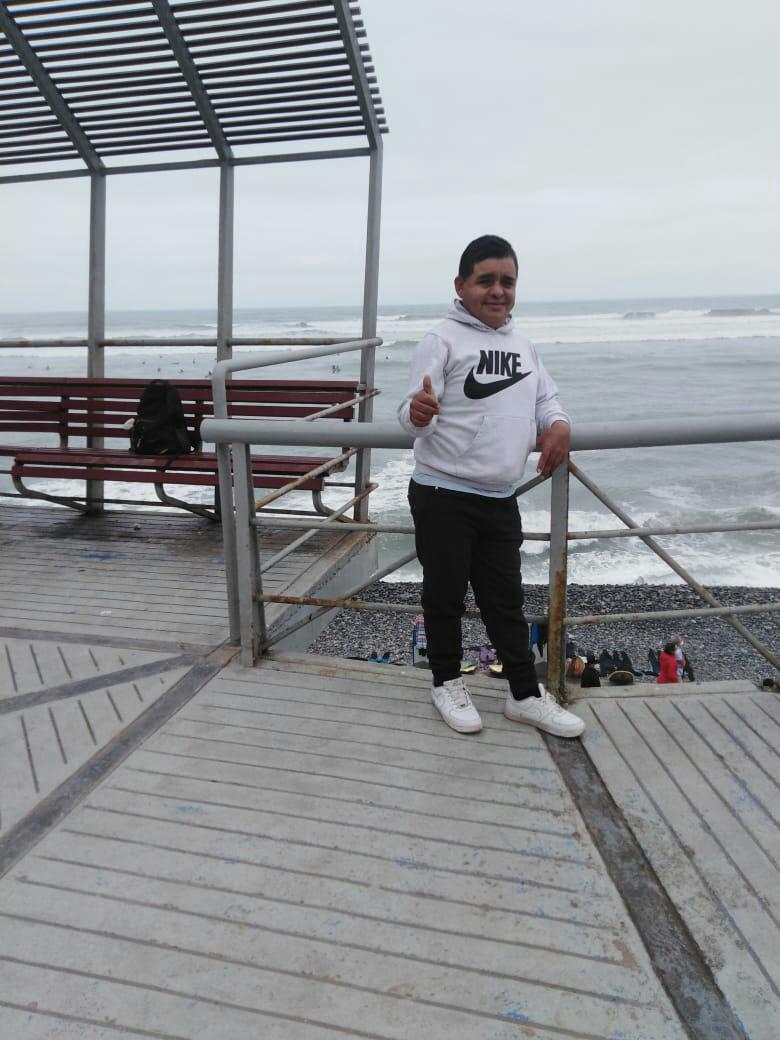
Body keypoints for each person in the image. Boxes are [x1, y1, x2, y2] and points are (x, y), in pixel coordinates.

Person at [398, 234, 584, 738]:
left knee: (506, 601)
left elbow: (546, 400)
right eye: (486, 281)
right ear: (461, 285)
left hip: (500, 497)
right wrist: (417, 413)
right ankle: (445, 682)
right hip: (443, 494)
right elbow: (410, 413)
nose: (498, 291)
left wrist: (560, 424)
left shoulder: (525, 346)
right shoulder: (441, 340)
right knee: (445, 597)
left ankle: (524, 695)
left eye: (507, 281)